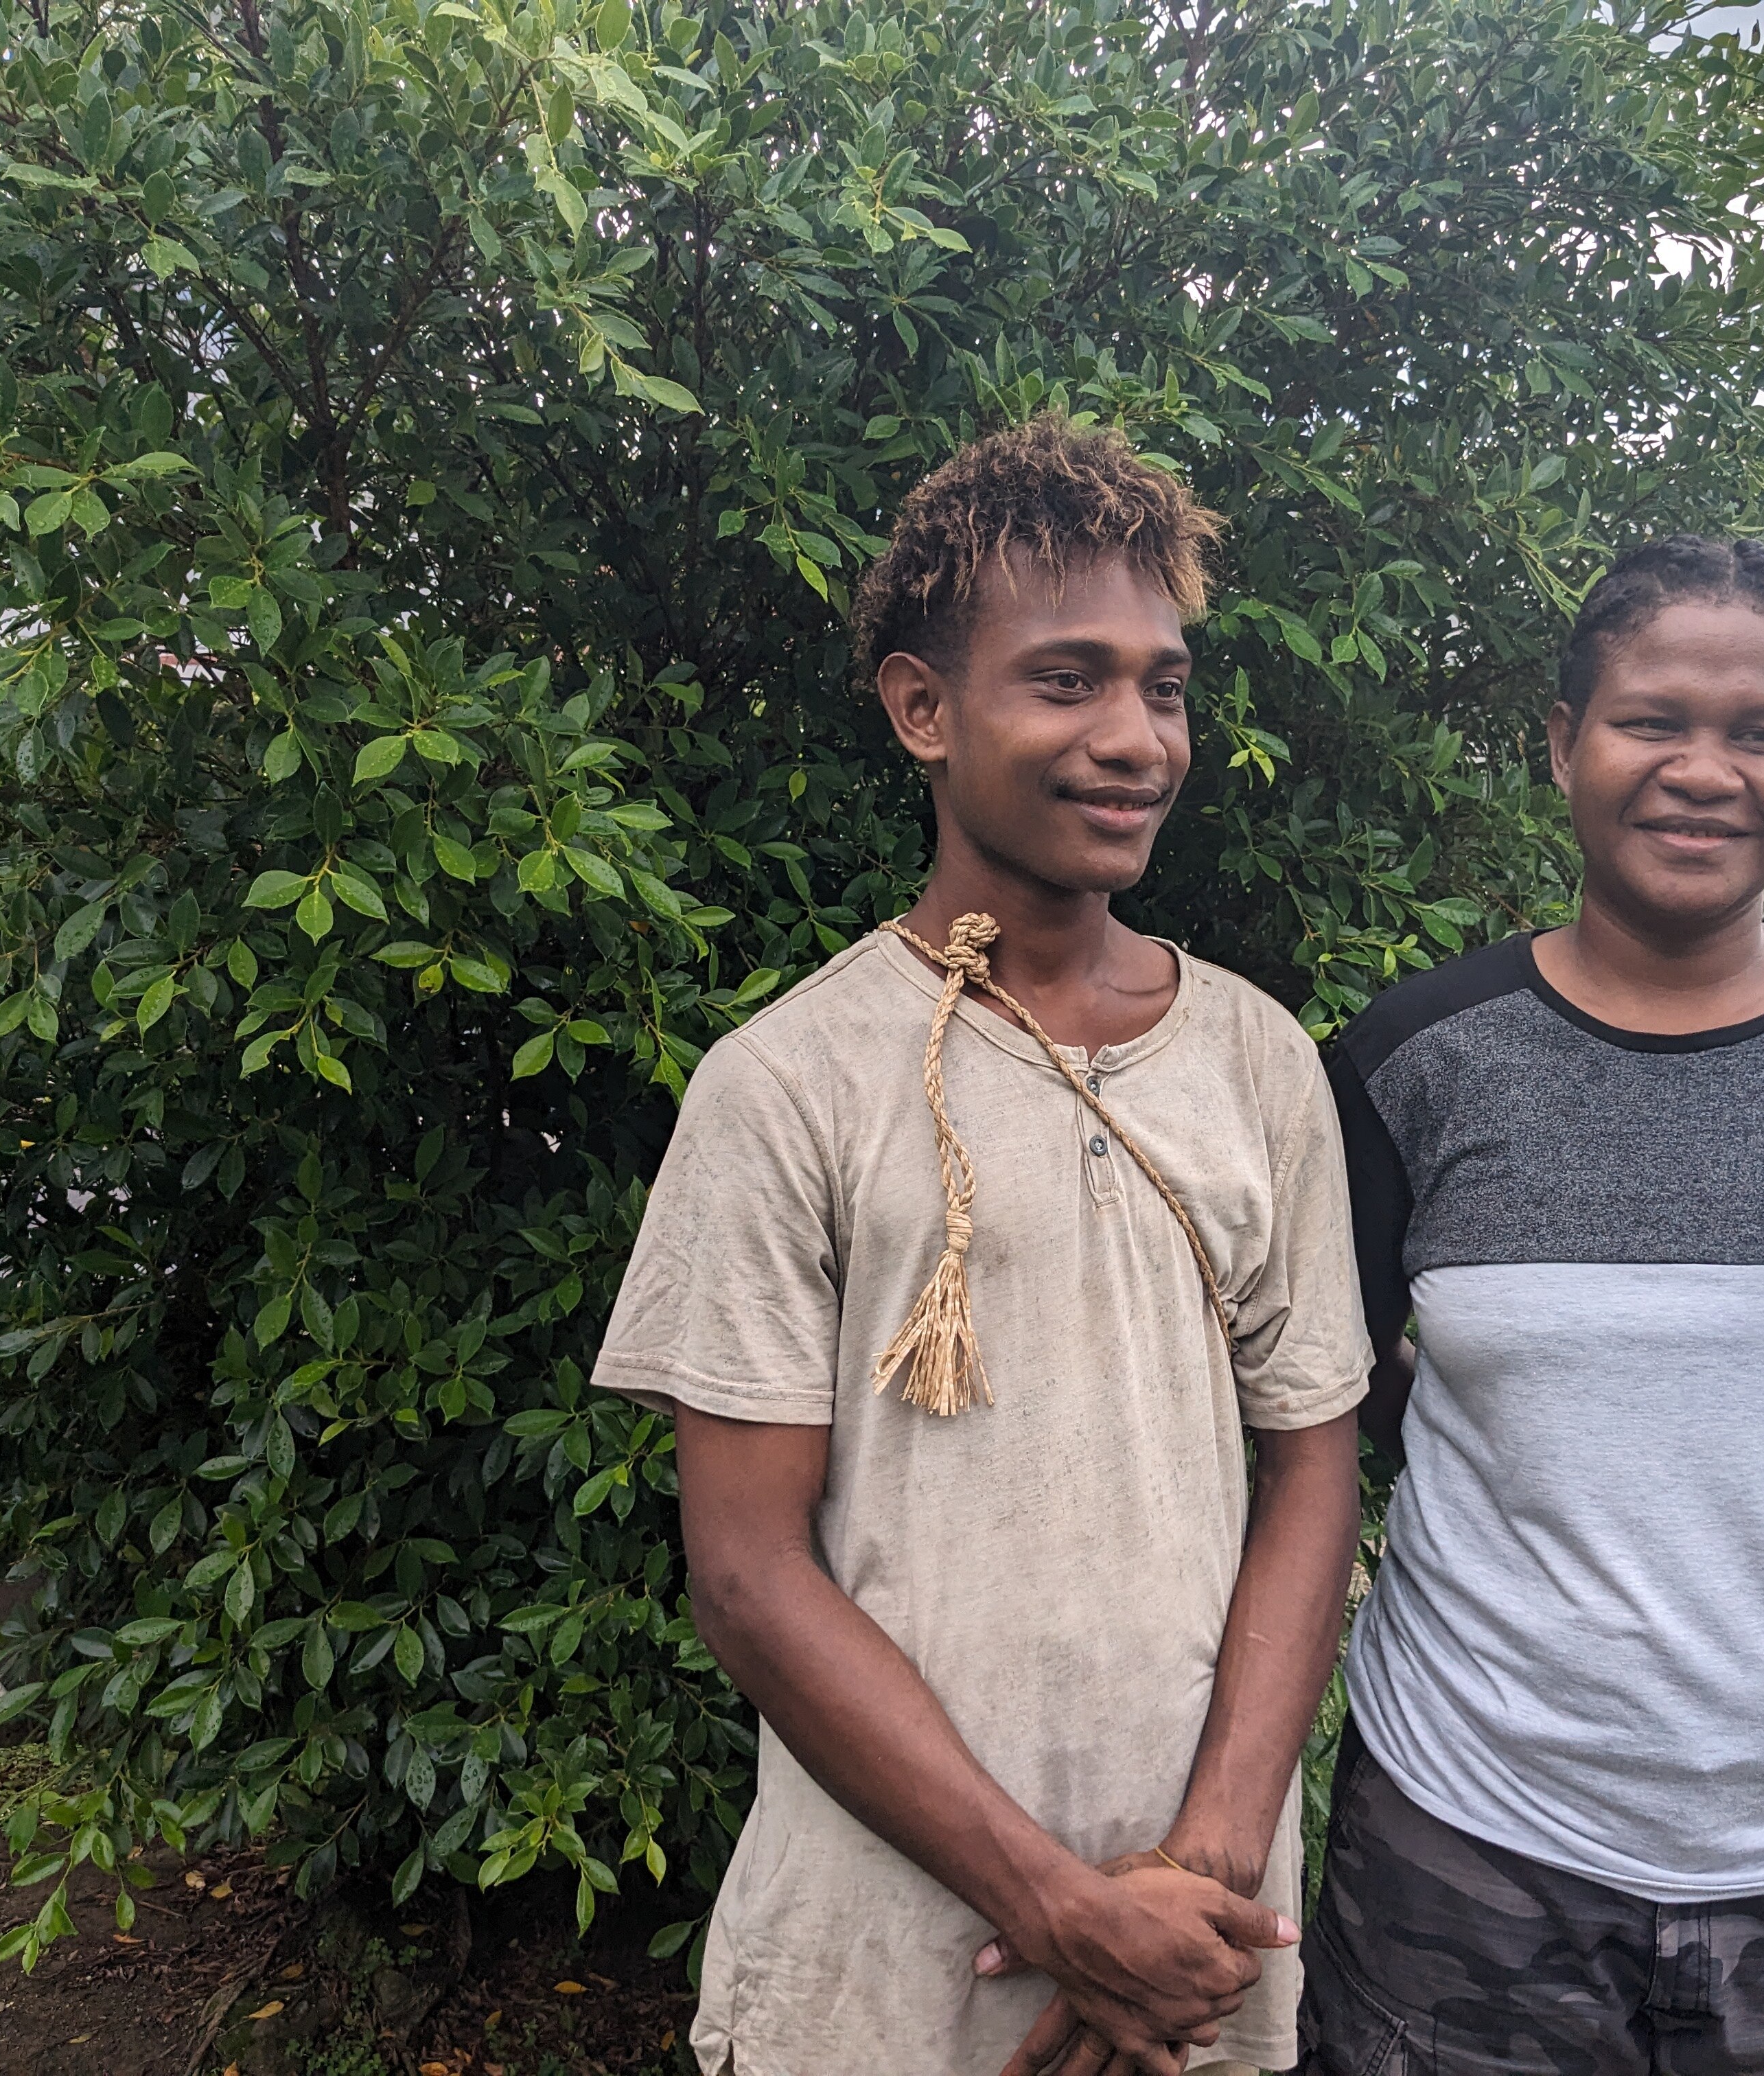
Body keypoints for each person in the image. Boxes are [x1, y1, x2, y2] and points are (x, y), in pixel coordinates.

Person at [592, 417, 1371, 2076]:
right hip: (877, 1978)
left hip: (1201, 1960)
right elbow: (746, 1571)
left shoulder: (1257, 1063)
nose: (1134, 739)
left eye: (1164, 687)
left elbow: (1314, 1466)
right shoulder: (791, 1084)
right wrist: (1056, 1904)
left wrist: (1199, 1870)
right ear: (923, 710)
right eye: (1066, 681)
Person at [1299, 537, 1764, 2076]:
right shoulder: (1412, 1065)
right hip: (1471, 1832)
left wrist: (1756, 1485)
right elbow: (1335, 1381)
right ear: (1563, 744)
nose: (1703, 772)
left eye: (1761, 732)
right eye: (1651, 721)